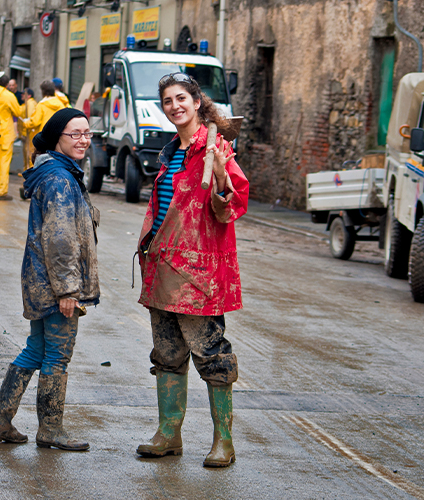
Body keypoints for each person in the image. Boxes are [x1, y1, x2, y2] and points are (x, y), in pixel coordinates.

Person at [134, 73, 248, 467]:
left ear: (197, 102)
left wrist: (219, 177)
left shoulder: (217, 149)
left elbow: (233, 204)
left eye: (181, 98)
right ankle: (169, 434)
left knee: (211, 356)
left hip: (198, 276)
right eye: (167, 101)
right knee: (167, 355)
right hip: (161, 267)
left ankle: (224, 442)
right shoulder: (171, 152)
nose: (174, 106)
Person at [0, 108, 99, 451]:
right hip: (56, 286)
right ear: (57, 139)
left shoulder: (56, 172)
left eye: (87, 133)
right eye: (74, 134)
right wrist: (68, 290)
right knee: (57, 356)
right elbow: (60, 239)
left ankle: (2, 421)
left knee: (36, 349)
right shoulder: (60, 180)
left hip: (40, 280)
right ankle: (51, 429)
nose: (83, 141)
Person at [18, 88, 37, 170]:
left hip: (29, 133)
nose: (22, 95)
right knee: (27, 152)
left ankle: (30, 171)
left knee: (30, 153)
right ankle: (26, 170)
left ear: (29, 95)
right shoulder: (26, 104)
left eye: (24, 94)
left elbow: (29, 120)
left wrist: (25, 131)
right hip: (26, 133)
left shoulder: (31, 104)